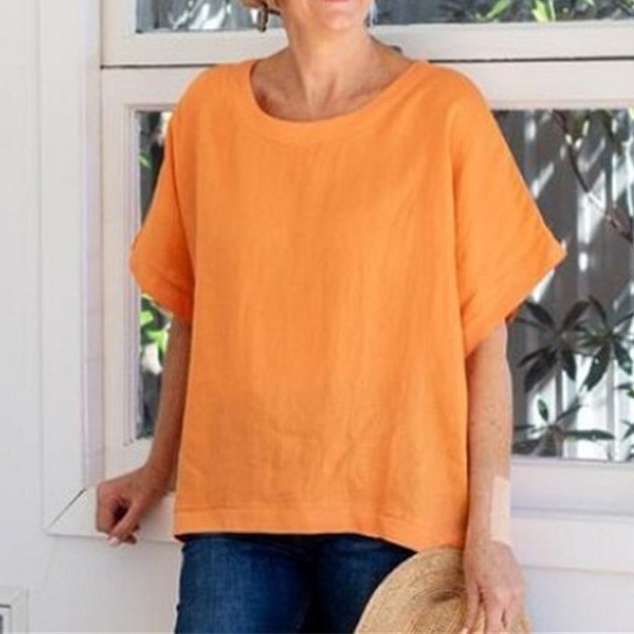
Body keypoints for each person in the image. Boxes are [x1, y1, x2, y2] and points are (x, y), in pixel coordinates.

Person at [95, 0, 567, 632]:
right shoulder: (209, 112)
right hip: (236, 516)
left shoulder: (445, 112)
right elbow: (196, 316)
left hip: (393, 519)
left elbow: (486, 345)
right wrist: (158, 470)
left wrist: (492, 533)